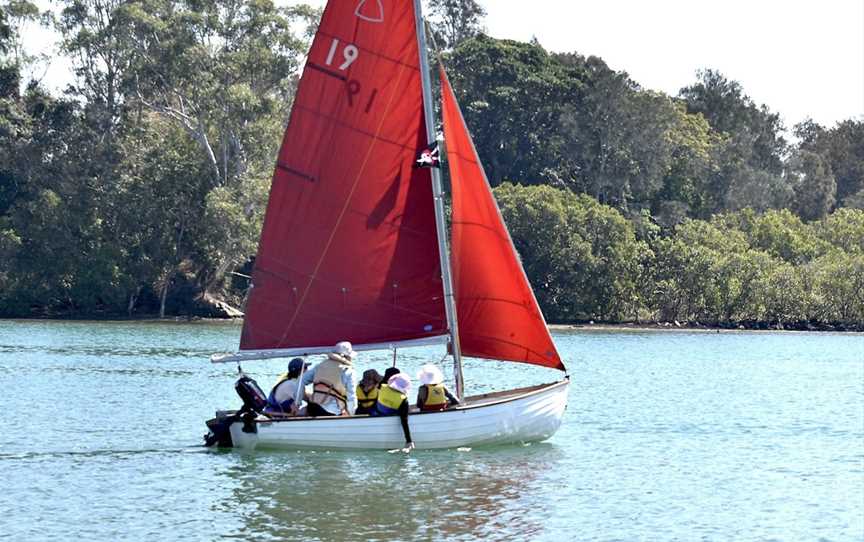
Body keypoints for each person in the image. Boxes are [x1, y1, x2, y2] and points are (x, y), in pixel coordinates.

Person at [300, 341, 358, 417]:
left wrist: (297, 402)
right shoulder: (348, 371)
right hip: (331, 411)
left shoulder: (319, 366)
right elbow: (351, 396)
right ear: (347, 357)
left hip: (312, 407)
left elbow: (300, 381)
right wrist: (351, 414)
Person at [372, 373, 413, 450]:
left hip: (376, 414)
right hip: (390, 416)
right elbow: (404, 421)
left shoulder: (382, 387)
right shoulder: (403, 399)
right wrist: (409, 441)